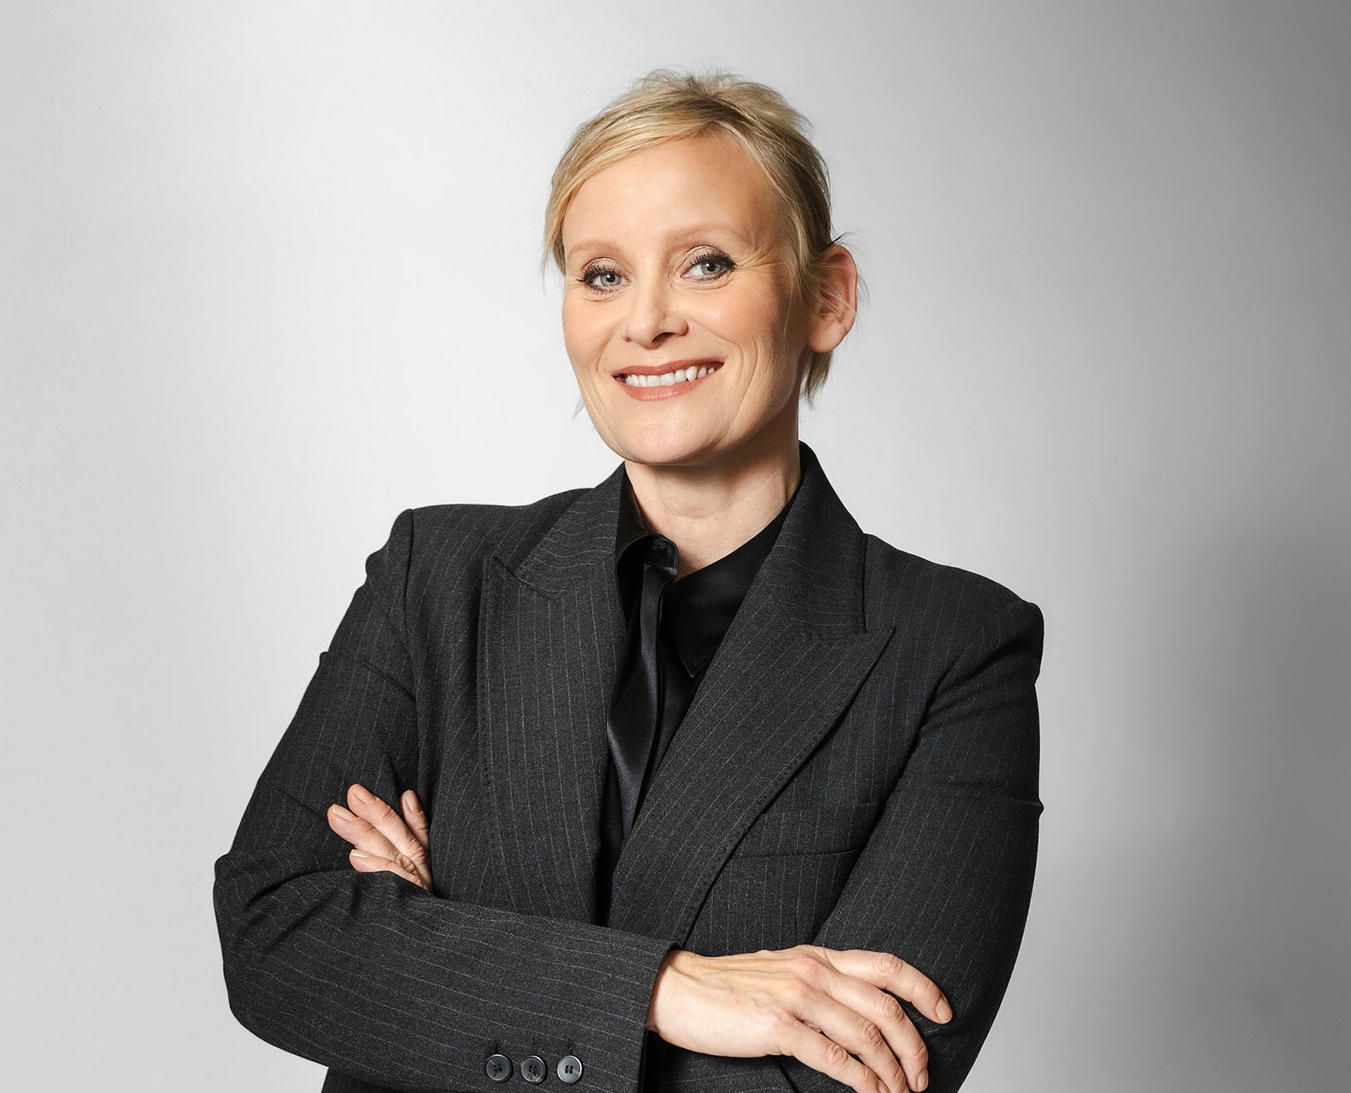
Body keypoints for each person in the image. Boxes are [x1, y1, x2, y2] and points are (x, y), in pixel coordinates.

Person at [212, 68, 1046, 1093]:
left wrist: (431, 955)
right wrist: (664, 989)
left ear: (826, 297)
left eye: (705, 263)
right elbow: (273, 931)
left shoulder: (956, 649)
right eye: (601, 274)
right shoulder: (436, 577)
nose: (644, 321)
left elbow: (857, 1076)